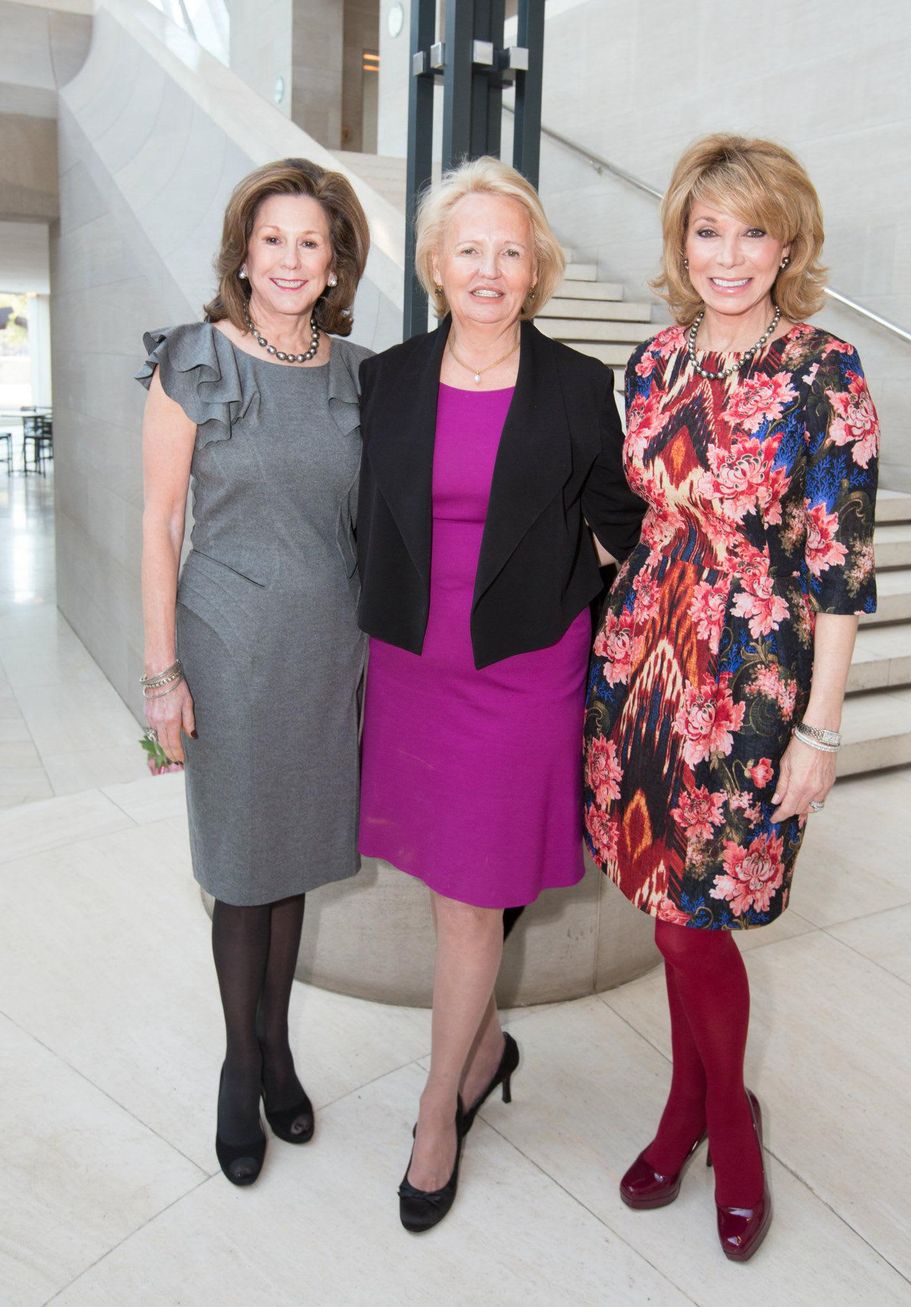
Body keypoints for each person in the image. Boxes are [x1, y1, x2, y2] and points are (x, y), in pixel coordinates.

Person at [584, 134, 879, 1261]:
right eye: (707, 229)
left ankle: (721, 1127)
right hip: (637, 672)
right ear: (679, 238)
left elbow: (838, 565)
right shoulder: (648, 365)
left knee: (697, 923)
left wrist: (819, 726)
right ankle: (696, 1106)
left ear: (788, 241)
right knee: (669, 916)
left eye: (751, 229)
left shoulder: (824, 370)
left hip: (749, 685)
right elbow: (633, 526)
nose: (727, 253)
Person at [356, 156, 645, 1232]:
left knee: (474, 890)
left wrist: (589, 597)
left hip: (524, 667)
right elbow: (355, 519)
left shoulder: (575, 385)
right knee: (449, 888)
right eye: (468, 247)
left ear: (535, 270)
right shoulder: (384, 379)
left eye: (508, 250)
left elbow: (622, 514)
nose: (488, 267)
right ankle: (481, 1045)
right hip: (411, 668)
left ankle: (440, 1106)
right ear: (435, 263)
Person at [137, 158, 371, 1186]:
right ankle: (243, 1063)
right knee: (241, 868)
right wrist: (161, 675)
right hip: (228, 649)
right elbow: (157, 521)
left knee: (291, 861)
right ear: (242, 251)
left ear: (333, 263)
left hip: (328, 651)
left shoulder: (358, 373)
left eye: (309, 242)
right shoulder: (195, 360)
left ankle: (277, 1045)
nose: (288, 258)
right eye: (271, 239)